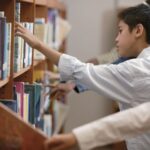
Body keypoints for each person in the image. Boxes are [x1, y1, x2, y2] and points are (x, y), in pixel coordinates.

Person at [15, 1, 150, 150]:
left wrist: (39, 45)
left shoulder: (137, 70)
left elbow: (88, 71)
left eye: (120, 31)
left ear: (138, 30)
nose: (116, 39)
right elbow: (105, 70)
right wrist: (73, 82)